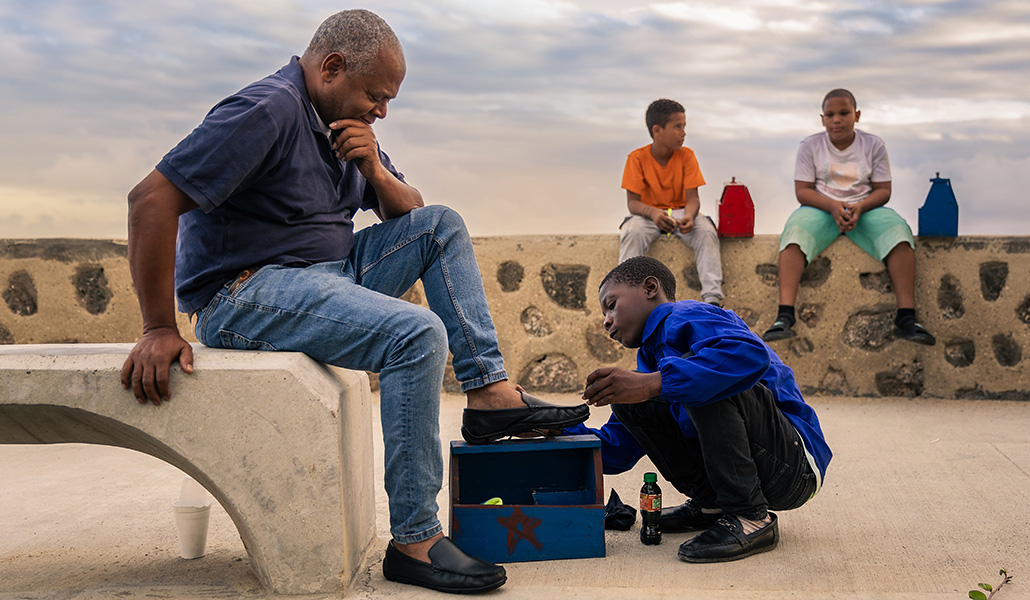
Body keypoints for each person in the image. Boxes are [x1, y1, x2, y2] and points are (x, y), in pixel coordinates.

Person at [118, 10, 588, 594]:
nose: (382, 110)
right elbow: (150, 199)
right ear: (331, 68)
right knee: (415, 335)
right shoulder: (267, 111)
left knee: (441, 225)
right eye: (376, 95)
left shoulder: (342, 122)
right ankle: (415, 539)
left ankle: (489, 393)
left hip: (331, 274)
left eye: (388, 99)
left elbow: (408, 211)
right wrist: (159, 326)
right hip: (248, 292)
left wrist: (372, 166)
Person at [566, 256, 831, 562]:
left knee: (704, 378)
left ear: (650, 288)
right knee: (633, 404)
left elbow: (749, 355)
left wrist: (654, 384)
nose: (606, 320)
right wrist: (556, 428)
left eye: (611, 305)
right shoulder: (649, 363)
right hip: (756, 469)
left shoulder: (687, 315)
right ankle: (712, 505)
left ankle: (750, 517)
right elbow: (616, 450)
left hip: (793, 468)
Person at [762, 89, 935, 345]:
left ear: (857, 115)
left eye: (844, 113)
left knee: (899, 232)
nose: (837, 120)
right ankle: (784, 316)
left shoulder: (873, 145)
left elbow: (884, 190)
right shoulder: (810, 146)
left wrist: (861, 207)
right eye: (830, 115)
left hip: (865, 209)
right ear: (822, 119)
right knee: (795, 231)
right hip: (821, 208)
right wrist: (832, 206)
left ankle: (907, 318)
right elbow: (803, 191)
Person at [618, 99, 724, 306]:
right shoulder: (637, 158)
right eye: (677, 127)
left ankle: (713, 298)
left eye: (684, 126)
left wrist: (689, 216)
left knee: (706, 231)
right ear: (657, 130)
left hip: (681, 212)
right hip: (647, 215)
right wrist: (654, 213)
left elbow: (693, 199)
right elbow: (633, 203)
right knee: (633, 232)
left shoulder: (687, 156)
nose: (683, 132)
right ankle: (624, 297)